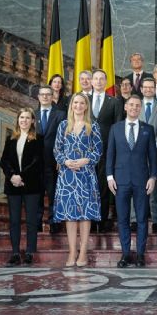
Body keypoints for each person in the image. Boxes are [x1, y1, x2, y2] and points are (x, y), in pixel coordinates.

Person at [106, 95, 157, 268]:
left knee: (142, 218)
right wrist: (109, 177)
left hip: (142, 180)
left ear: (140, 108)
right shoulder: (115, 128)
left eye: (137, 105)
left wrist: (153, 177)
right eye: (131, 105)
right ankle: (126, 254)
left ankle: (141, 254)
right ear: (126, 107)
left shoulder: (148, 129)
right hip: (120, 181)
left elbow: (153, 156)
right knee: (123, 219)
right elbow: (110, 155)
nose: (134, 108)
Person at [53, 93, 102, 267]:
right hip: (67, 176)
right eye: (76, 103)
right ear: (71, 105)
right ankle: (72, 251)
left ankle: (83, 252)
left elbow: (98, 150)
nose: (79, 106)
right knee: (70, 215)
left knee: (85, 214)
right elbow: (57, 150)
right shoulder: (63, 126)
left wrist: (86, 160)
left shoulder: (93, 126)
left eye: (82, 103)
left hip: (86, 174)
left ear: (86, 106)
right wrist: (65, 161)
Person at [0, 108, 44, 266]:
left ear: (33, 121)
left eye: (27, 118)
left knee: (31, 221)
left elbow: (37, 162)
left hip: (31, 185)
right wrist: (13, 176)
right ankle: (15, 253)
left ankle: (30, 253)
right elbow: (4, 161)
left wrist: (22, 177)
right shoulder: (10, 139)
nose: (24, 120)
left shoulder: (38, 139)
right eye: (21, 117)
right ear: (18, 120)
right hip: (13, 185)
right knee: (14, 221)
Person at [90, 69, 123, 232]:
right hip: (85, 151)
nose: (98, 81)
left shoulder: (114, 102)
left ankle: (101, 221)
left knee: (103, 187)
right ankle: (88, 221)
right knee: (88, 187)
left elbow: (117, 127)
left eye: (101, 79)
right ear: (91, 81)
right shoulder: (83, 100)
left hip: (106, 151)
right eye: (95, 79)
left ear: (106, 81)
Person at [139, 77, 157, 233]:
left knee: (154, 185)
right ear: (142, 89)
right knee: (136, 184)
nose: (149, 89)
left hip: (155, 151)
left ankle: (156, 219)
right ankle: (134, 219)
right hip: (137, 152)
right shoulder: (135, 105)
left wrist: (156, 141)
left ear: (155, 89)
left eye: (152, 87)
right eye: (146, 87)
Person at [35, 85, 66, 234]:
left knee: (54, 193)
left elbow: (65, 139)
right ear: (38, 97)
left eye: (48, 94)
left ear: (52, 96)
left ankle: (54, 222)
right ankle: (36, 222)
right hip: (35, 163)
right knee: (36, 194)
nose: (45, 97)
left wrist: (62, 159)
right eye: (43, 94)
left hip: (54, 162)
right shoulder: (32, 115)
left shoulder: (60, 115)